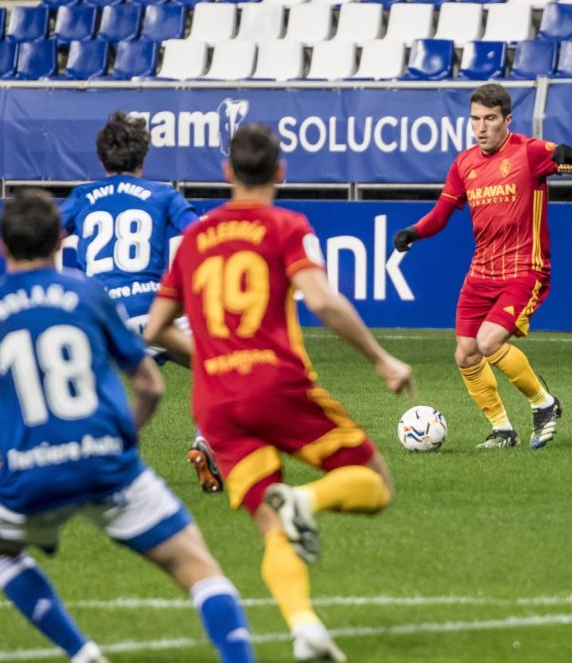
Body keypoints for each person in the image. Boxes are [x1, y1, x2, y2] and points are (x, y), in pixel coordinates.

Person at [143, 123, 415, 662]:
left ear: (227, 173)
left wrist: (215, 360)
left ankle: (304, 626)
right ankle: (305, 501)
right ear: (281, 172)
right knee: (376, 484)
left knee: (270, 526)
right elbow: (324, 300)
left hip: (217, 401)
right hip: (276, 384)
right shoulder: (287, 225)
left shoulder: (196, 238)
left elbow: (154, 330)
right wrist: (381, 359)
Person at [0, 191, 254, 663]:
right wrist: (123, 439)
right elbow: (149, 385)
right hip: (108, 464)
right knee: (198, 568)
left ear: (1, 247)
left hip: (27, 474)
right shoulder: (88, 293)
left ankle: (83, 654)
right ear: (62, 240)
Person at [393, 83, 572, 450]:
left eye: (490, 119)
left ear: (507, 119)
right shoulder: (464, 164)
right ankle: (502, 430)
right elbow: (443, 213)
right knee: (466, 352)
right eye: (475, 119)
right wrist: (414, 231)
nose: (481, 127)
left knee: (489, 343)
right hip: (481, 272)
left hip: (524, 268)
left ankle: (544, 404)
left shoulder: (530, 151)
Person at [59, 111, 220, 491]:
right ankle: (206, 444)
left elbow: (41, 233)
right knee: (215, 367)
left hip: (101, 318)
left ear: (101, 161)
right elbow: (199, 237)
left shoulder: (82, 197)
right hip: (154, 314)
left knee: (66, 385)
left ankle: (23, 458)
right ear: (143, 158)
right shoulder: (163, 194)